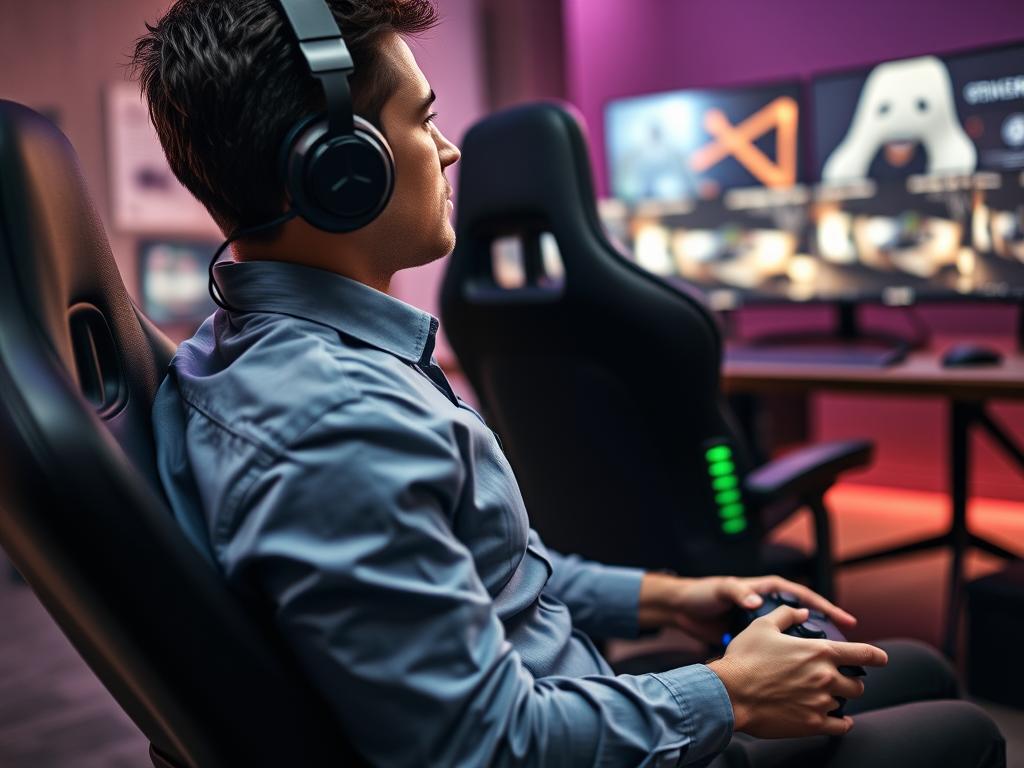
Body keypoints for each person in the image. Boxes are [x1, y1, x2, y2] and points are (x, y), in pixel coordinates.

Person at [136, 1, 1005, 765]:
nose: (447, 149)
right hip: (546, 726)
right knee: (963, 729)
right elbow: (480, 749)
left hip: (555, 679)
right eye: (423, 119)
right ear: (337, 169)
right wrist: (728, 695)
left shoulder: (254, 350)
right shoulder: (340, 426)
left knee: (917, 670)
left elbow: (487, 572)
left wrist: (667, 597)